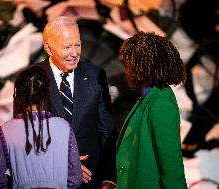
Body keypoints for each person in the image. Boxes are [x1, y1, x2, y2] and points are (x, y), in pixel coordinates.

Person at [36, 16, 116, 188]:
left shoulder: (96, 76)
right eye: (67, 47)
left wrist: (109, 178)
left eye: (77, 45)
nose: (75, 53)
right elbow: (24, 135)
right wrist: (62, 163)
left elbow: (107, 130)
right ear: (49, 49)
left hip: (91, 181)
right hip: (48, 179)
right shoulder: (31, 80)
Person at [0, 66, 82, 188]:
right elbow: (76, 178)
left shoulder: (6, 131)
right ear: (46, 93)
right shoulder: (64, 127)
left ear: (19, 94)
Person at [117, 31, 188, 189]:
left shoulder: (161, 100)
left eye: (128, 65)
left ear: (141, 66)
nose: (126, 71)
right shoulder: (149, 97)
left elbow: (171, 162)